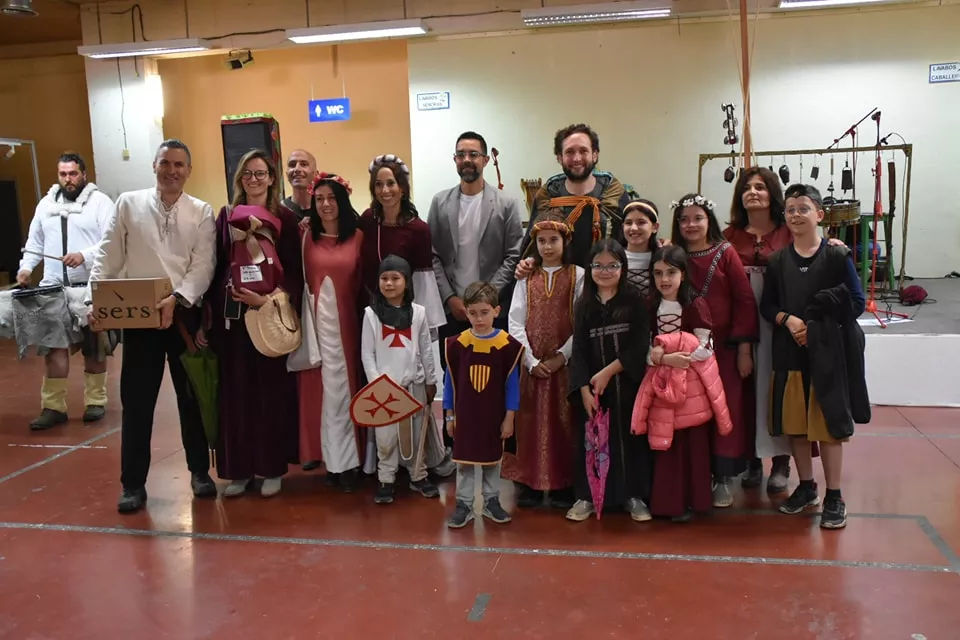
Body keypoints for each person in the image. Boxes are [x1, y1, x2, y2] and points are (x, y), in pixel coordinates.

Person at [86, 139, 217, 514]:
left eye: (179, 164)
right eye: (165, 163)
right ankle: (132, 484)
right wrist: (95, 303)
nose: (171, 170)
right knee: (137, 402)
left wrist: (177, 298)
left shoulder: (201, 211)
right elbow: (107, 257)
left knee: (190, 399)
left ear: (189, 170)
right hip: (139, 318)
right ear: (154, 166)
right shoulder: (128, 203)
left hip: (182, 316)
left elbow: (203, 265)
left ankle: (199, 472)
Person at [724, 167, 841, 493]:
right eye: (747, 187)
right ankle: (750, 459)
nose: (753, 192)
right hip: (742, 318)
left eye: (760, 186)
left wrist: (832, 241)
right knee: (747, 388)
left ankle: (781, 460)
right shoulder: (730, 235)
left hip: (782, 317)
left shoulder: (788, 230)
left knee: (780, 390)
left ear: (772, 192)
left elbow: (815, 250)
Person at [761, 183, 867, 530]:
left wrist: (817, 325)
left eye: (803, 208)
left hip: (827, 354)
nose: (795, 215)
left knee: (828, 426)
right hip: (789, 353)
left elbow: (855, 303)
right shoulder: (777, 261)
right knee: (795, 426)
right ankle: (806, 487)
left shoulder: (837, 257)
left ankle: (835, 495)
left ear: (819, 214)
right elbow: (768, 305)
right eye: (790, 209)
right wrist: (787, 320)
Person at [199, 149, 302, 498]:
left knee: (269, 394)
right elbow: (214, 266)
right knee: (236, 396)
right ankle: (238, 470)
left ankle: (271, 468)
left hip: (268, 317)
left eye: (261, 174)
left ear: (272, 179)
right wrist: (208, 315)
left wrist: (268, 300)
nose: (254, 180)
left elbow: (295, 274)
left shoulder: (285, 219)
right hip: (231, 319)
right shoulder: (226, 217)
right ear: (239, 179)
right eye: (248, 174)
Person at [669, 193, 758, 508]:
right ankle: (696, 475)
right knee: (690, 410)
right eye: (684, 219)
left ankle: (722, 478)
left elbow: (745, 300)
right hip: (684, 353)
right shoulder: (672, 256)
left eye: (697, 217)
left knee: (724, 410)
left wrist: (744, 348)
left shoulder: (725, 252)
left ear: (709, 220)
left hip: (724, 351)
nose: (690, 224)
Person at [16, 153, 116, 429]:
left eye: (73, 174)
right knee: (53, 350)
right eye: (63, 174)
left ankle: (96, 401)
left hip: (88, 289)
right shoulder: (46, 205)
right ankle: (53, 406)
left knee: (94, 348)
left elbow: (112, 242)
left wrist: (84, 255)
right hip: (52, 289)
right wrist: (26, 268)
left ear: (83, 174)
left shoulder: (100, 203)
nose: (68, 179)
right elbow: (34, 240)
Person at [634, 245, 730, 522]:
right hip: (662, 384)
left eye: (671, 272)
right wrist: (662, 360)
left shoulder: (694, 303)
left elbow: (705, 346)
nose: (665, 279)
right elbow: (644, 346)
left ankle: (694, 499)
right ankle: (668, 502)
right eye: (658, 273)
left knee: (693, 443)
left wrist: (679, 356)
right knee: (665, 441)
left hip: (692, 388)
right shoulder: (650, 306)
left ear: (683, 274)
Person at [567, 239, 652, 522]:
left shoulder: (635, 302)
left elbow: (639, 346)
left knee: (629, 442)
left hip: (627, 387)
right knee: (590, 441)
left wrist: (608, 372)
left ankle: (633, 496)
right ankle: (587, 496)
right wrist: (583, 390)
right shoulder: (583, 305)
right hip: (592, 392)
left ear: (622, 267)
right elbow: (578, 351)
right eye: (598, 265)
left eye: (612, 265)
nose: (605, 271)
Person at [504, 211, 584, 509]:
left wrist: (562, 356)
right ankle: (529, 483)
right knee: (529, 421)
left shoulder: (579, 275)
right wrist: (530, 361)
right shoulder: (526, 278)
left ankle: (563, 483)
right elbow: (514, 321)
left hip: (565, 365)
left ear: (565, 241)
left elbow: (582, 323)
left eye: (553, 240)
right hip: (532, 365)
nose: (548, 247)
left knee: (564, 422)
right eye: (541, 241)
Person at [297, 172, 365, 492]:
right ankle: (332, 461)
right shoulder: (305, 237)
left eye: (332, 198)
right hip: (317, 328)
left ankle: (351, 462)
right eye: (319, 198)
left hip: (348, 327)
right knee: (323, 395)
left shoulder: (358, 239)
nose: (326, 204)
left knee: (347, 391)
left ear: (343, 200)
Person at [361, 255, 442, 504]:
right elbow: (367, 353)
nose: (389, 284)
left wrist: (430, 380)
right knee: (386, 439)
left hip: (414, 385)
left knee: (417, 435)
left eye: (395, 278)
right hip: (384, 390)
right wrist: (378, 385)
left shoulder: (418, 313)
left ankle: (418, 475)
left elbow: (426, 350)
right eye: (384, 278)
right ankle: (386, 478)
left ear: (406, 282)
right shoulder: (371, 314)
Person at [443, 282, 523, 529]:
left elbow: (512, 386)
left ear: (496, 311)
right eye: (473, 313)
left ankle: (491, 501)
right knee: (465, 462)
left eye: (484, 312)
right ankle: (464, 504)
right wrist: (448, 416)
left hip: (493, 416)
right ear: (466, 312)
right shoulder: (457, 344)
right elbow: (449, 383)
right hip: (465, 416)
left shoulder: (507, 346)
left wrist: (510, 417)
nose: (479, 319)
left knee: (492, 460)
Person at [428, 131, 524, 334]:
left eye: (473, 154)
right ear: (455, 159)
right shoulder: (440, 202)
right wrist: (449, 297)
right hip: (452, 310)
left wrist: (485, 298)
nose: (466, 160)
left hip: (493, 312)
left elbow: (514, 254)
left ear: (486, 160)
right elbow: (432, 255)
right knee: (452, 366)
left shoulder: (507, 203)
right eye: (461, 155)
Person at [516, 123, 626, 277]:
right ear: (559, 157)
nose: (576, 158)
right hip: (558, 284)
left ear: (595, 155)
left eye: (583, 151)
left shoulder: (614, 195)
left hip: (604, 282)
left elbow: (629, 239)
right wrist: (529, 261)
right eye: (569, 152)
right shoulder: (547, 196)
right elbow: (533, 242)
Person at [620, 198, 661, 299]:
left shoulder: (663, 259)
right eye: (628, 223)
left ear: (655, 227)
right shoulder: (614, 257)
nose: (633, 228)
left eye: (641, 222)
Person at [281, 148, 317, 220]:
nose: (297, 169)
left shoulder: (324, 210)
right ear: (286, 174)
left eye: (304, 164)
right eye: (292, 165)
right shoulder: (278, 211)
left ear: (315, 174)